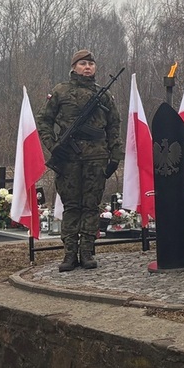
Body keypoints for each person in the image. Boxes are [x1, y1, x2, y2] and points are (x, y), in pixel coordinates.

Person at [37, 50, 123, 272]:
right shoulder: (60, 91)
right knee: (72, 206)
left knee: (91, 206)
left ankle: (87, 252)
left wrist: (115, 154)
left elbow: (114, 125)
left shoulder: (103, 95)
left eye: (91, 64)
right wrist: (53, 145)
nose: (88, 67)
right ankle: (69, 254)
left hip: (96, 157)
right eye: (83, 63)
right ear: (74, 67)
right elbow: (45, 120)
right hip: (69, 159)